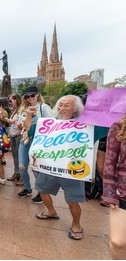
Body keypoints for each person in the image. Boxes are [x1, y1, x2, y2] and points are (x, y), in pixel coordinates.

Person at [34, 95, 86, 240]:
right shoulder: (50, 123)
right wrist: (29, 117)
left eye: (66, 105)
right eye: (60, 105)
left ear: (75, 108)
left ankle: (76, 225)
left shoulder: (84, 125)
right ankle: (51, 211)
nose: (62, 108)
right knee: (41, 189)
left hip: (71, 170)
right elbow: (30, 130)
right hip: (49, 167)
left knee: (72, 200)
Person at [17, 85, 53, 203]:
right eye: (27, 96)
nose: (30, 98)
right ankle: (27, 188)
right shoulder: (23, 108)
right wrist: (21, 123)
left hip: (38, 141)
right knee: (22, 166)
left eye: (32, 95)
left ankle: (41, 192)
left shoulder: (43, 107)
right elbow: (19, 125)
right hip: (24, 139)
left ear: (38, 94)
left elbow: (52, 124)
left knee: (36, 168)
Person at [102, 112, 126, 259]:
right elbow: (110, 161)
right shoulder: (119, 126)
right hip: (123, 190)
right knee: (118, 242)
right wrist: (110, 193)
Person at [4, 93, 23, 182]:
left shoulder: (21, 110)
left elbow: (19, 123)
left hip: (18, 136)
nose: (10, 102)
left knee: (20, 157)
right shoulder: (14, 110)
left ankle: (22, 175)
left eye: (11, 100)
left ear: (17, 100)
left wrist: (8, 120)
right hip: (13, 136)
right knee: (15, 156)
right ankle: (17, 173)